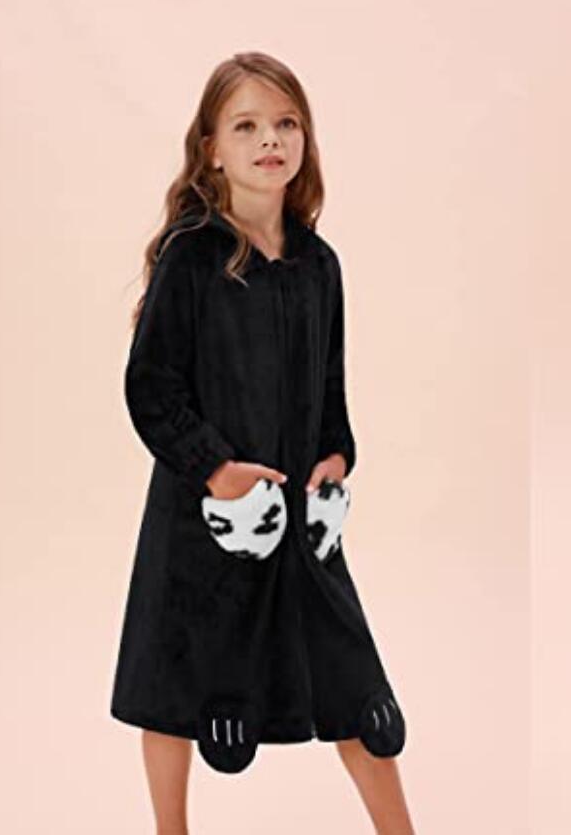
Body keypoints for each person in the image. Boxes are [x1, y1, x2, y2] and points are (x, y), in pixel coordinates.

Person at [110, 51, 416, 834]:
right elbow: (150, 386)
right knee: (174, 682)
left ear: (305, 140)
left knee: (355, 686)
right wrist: (213, 469)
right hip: (205, 514)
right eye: (245, 126)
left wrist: (335, 458)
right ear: (211, 148)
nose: (269, 139)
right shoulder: (192, 257)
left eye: (285, 123)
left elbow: (330, 390)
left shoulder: (319, 265)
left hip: (299, 522)